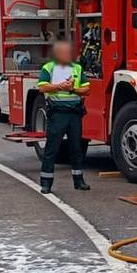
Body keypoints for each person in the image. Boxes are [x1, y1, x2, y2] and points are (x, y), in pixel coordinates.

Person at [37, 40, 92, 194]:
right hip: (58, 113)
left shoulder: (77, 68)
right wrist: (59, 86)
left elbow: (87, 90)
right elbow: (42, 87)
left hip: (74, 114)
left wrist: (73, 89)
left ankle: (79, 181)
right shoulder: (48, 68)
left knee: (77, 148)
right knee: (52, 149)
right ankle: (46, 183)